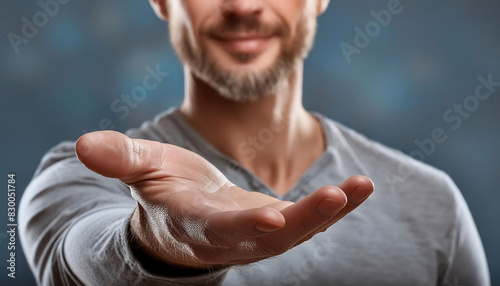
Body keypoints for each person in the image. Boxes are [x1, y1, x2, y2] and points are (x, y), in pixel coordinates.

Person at [20, 0, 490, 285]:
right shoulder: (85, 175)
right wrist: (164, 242)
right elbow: (83, 262)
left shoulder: (434, 204)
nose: (243, 7)